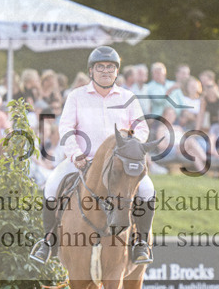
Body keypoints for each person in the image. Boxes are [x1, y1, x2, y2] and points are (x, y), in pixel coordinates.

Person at [29, 47, 153, 265]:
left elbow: (142, 129)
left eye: (110, 67)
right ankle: (48, 240)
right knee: (51, 185)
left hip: (119, 163)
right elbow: (66, 128)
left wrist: (129, 143)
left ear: (117, 71)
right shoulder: (76, 96)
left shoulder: (128, 97)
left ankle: (140, 242)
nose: (105, 71)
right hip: (84, 160)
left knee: (147, 190)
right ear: (91, 71)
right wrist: (76, 154)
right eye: (100, 67)